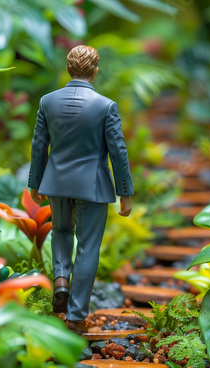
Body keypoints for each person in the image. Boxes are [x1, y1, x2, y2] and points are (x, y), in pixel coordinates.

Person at [28, 45, 134, 334]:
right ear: (95, 70)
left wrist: (35, 183)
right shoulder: (105, 106)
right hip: (93, 186)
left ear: (68, 69)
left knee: (61, 232)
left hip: (57, 183)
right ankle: (75, 316)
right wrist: (125, 191)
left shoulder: (47, 102)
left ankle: (61, 278)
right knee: (88, 247)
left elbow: (39, 146)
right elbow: (118, 151)